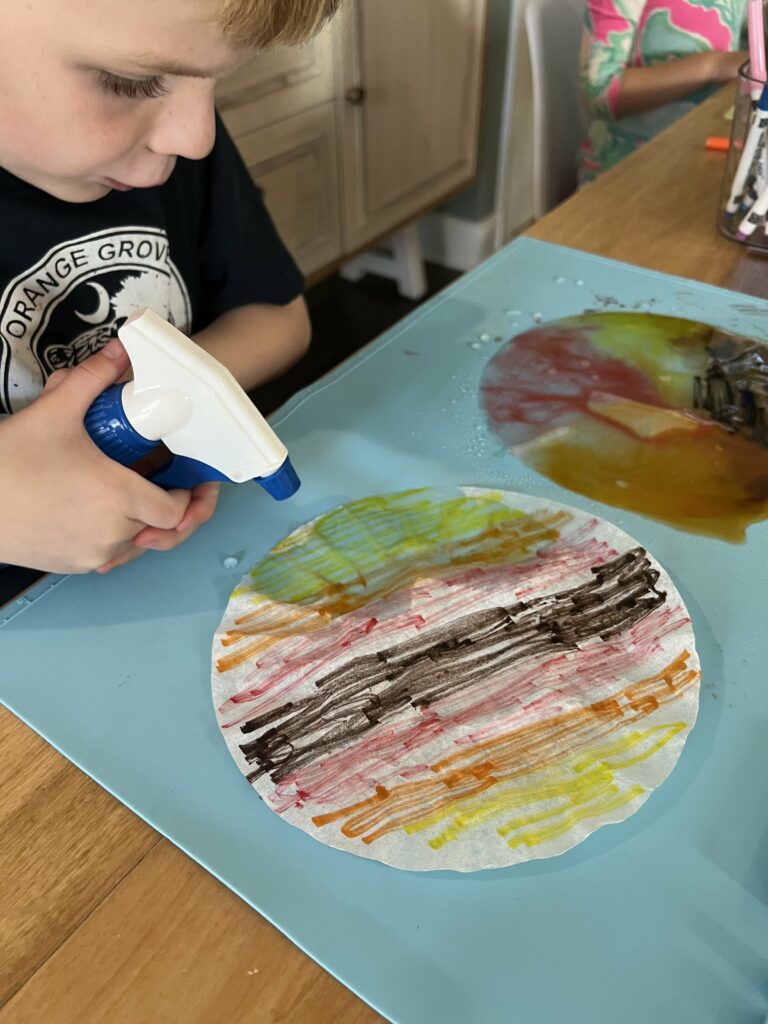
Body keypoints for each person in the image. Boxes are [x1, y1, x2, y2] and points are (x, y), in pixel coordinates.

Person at [0, 0, 339, 577]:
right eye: (130, 82)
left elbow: (278, 317)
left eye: (213, 80)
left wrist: (172, 401)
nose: (195, 137)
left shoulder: (162, 137)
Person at [579, 0, 749, 183]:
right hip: (625, 179)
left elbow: (748, 19)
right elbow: (597, 90)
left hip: (703, 167)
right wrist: (713, 67)